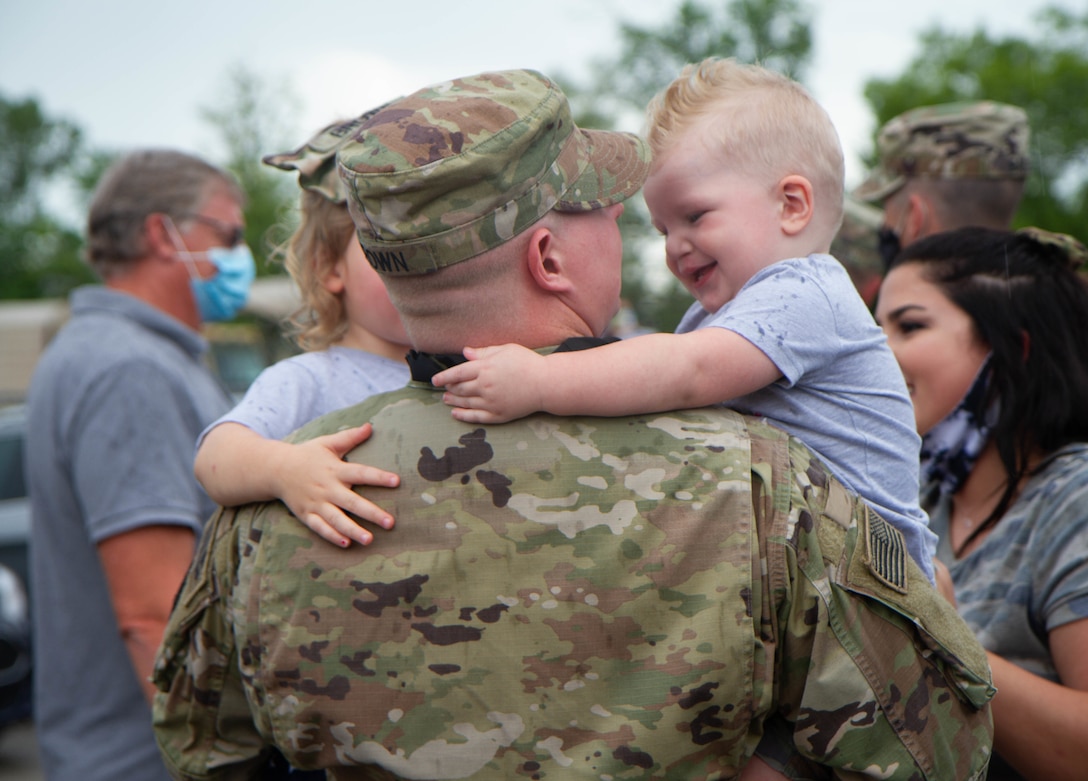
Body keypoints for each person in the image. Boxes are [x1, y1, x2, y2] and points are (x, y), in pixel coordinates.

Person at [151, 68, 994, 781]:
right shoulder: (766, 485)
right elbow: (933, 750)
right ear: (548, 257)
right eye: (610, 208)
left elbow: (201, 748)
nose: (649, 239)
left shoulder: (277, 496)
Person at [434, 58, 936, 584]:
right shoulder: (721, 314)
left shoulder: (806, 293)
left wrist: (538, 382)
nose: (675, 247)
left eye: (695, 216)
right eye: (662, 229)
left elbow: (686, 373)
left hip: (876, 592)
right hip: (816, 570)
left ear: (791, 205)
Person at [25, 150, 253, 781]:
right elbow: (153, 617)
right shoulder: (131, 370)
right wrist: (221, 765)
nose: (240, 255)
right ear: (163, 234)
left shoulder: (104, 350)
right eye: (229, 235)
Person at [875, 226, 1088, 781]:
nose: (875, 352)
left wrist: (944, 636)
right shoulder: (915, 494)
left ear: (1011, 346)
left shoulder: (1075, 496)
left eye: (909, 325)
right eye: (875, 329)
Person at [193, 112, 411, 548]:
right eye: (386, 240)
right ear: (328, 266)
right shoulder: (309, 380)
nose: (418, 263)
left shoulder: (471, 363)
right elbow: (213, 459)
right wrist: (285, 470)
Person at [853, 100, 1030, 268]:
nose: (885, 225)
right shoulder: (1047, 291)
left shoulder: (907, 298)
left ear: (916, 219)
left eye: (887, 208)